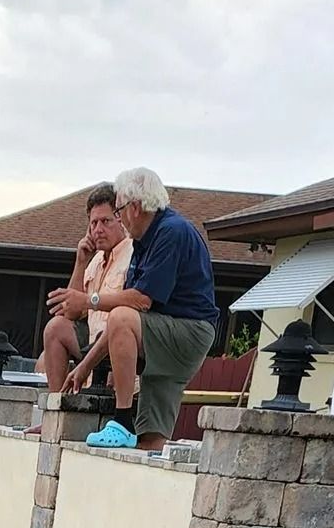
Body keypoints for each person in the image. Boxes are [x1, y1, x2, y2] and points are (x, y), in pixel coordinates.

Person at [67, 167, 220, 451]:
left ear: (135, 207)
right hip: (170, 336)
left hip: (189, 332)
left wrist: (89, 300)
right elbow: (120, 325)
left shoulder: (171, 232)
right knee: (151, 441)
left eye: (120, 210)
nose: (120, 218)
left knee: (122, 315)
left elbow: (140, 302)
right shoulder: (144, 241)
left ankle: (122, 420)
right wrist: (84, 367)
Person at [40, 186, 134, 395]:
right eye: (93, 223)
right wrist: (81, 262)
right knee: (55, 327)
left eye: (105, 221)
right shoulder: (95, 261)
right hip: (90, 344)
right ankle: (57, 405)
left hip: (118, 343)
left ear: (120, 219)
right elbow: (71, 312)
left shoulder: (134, 254)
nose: (98, 229)